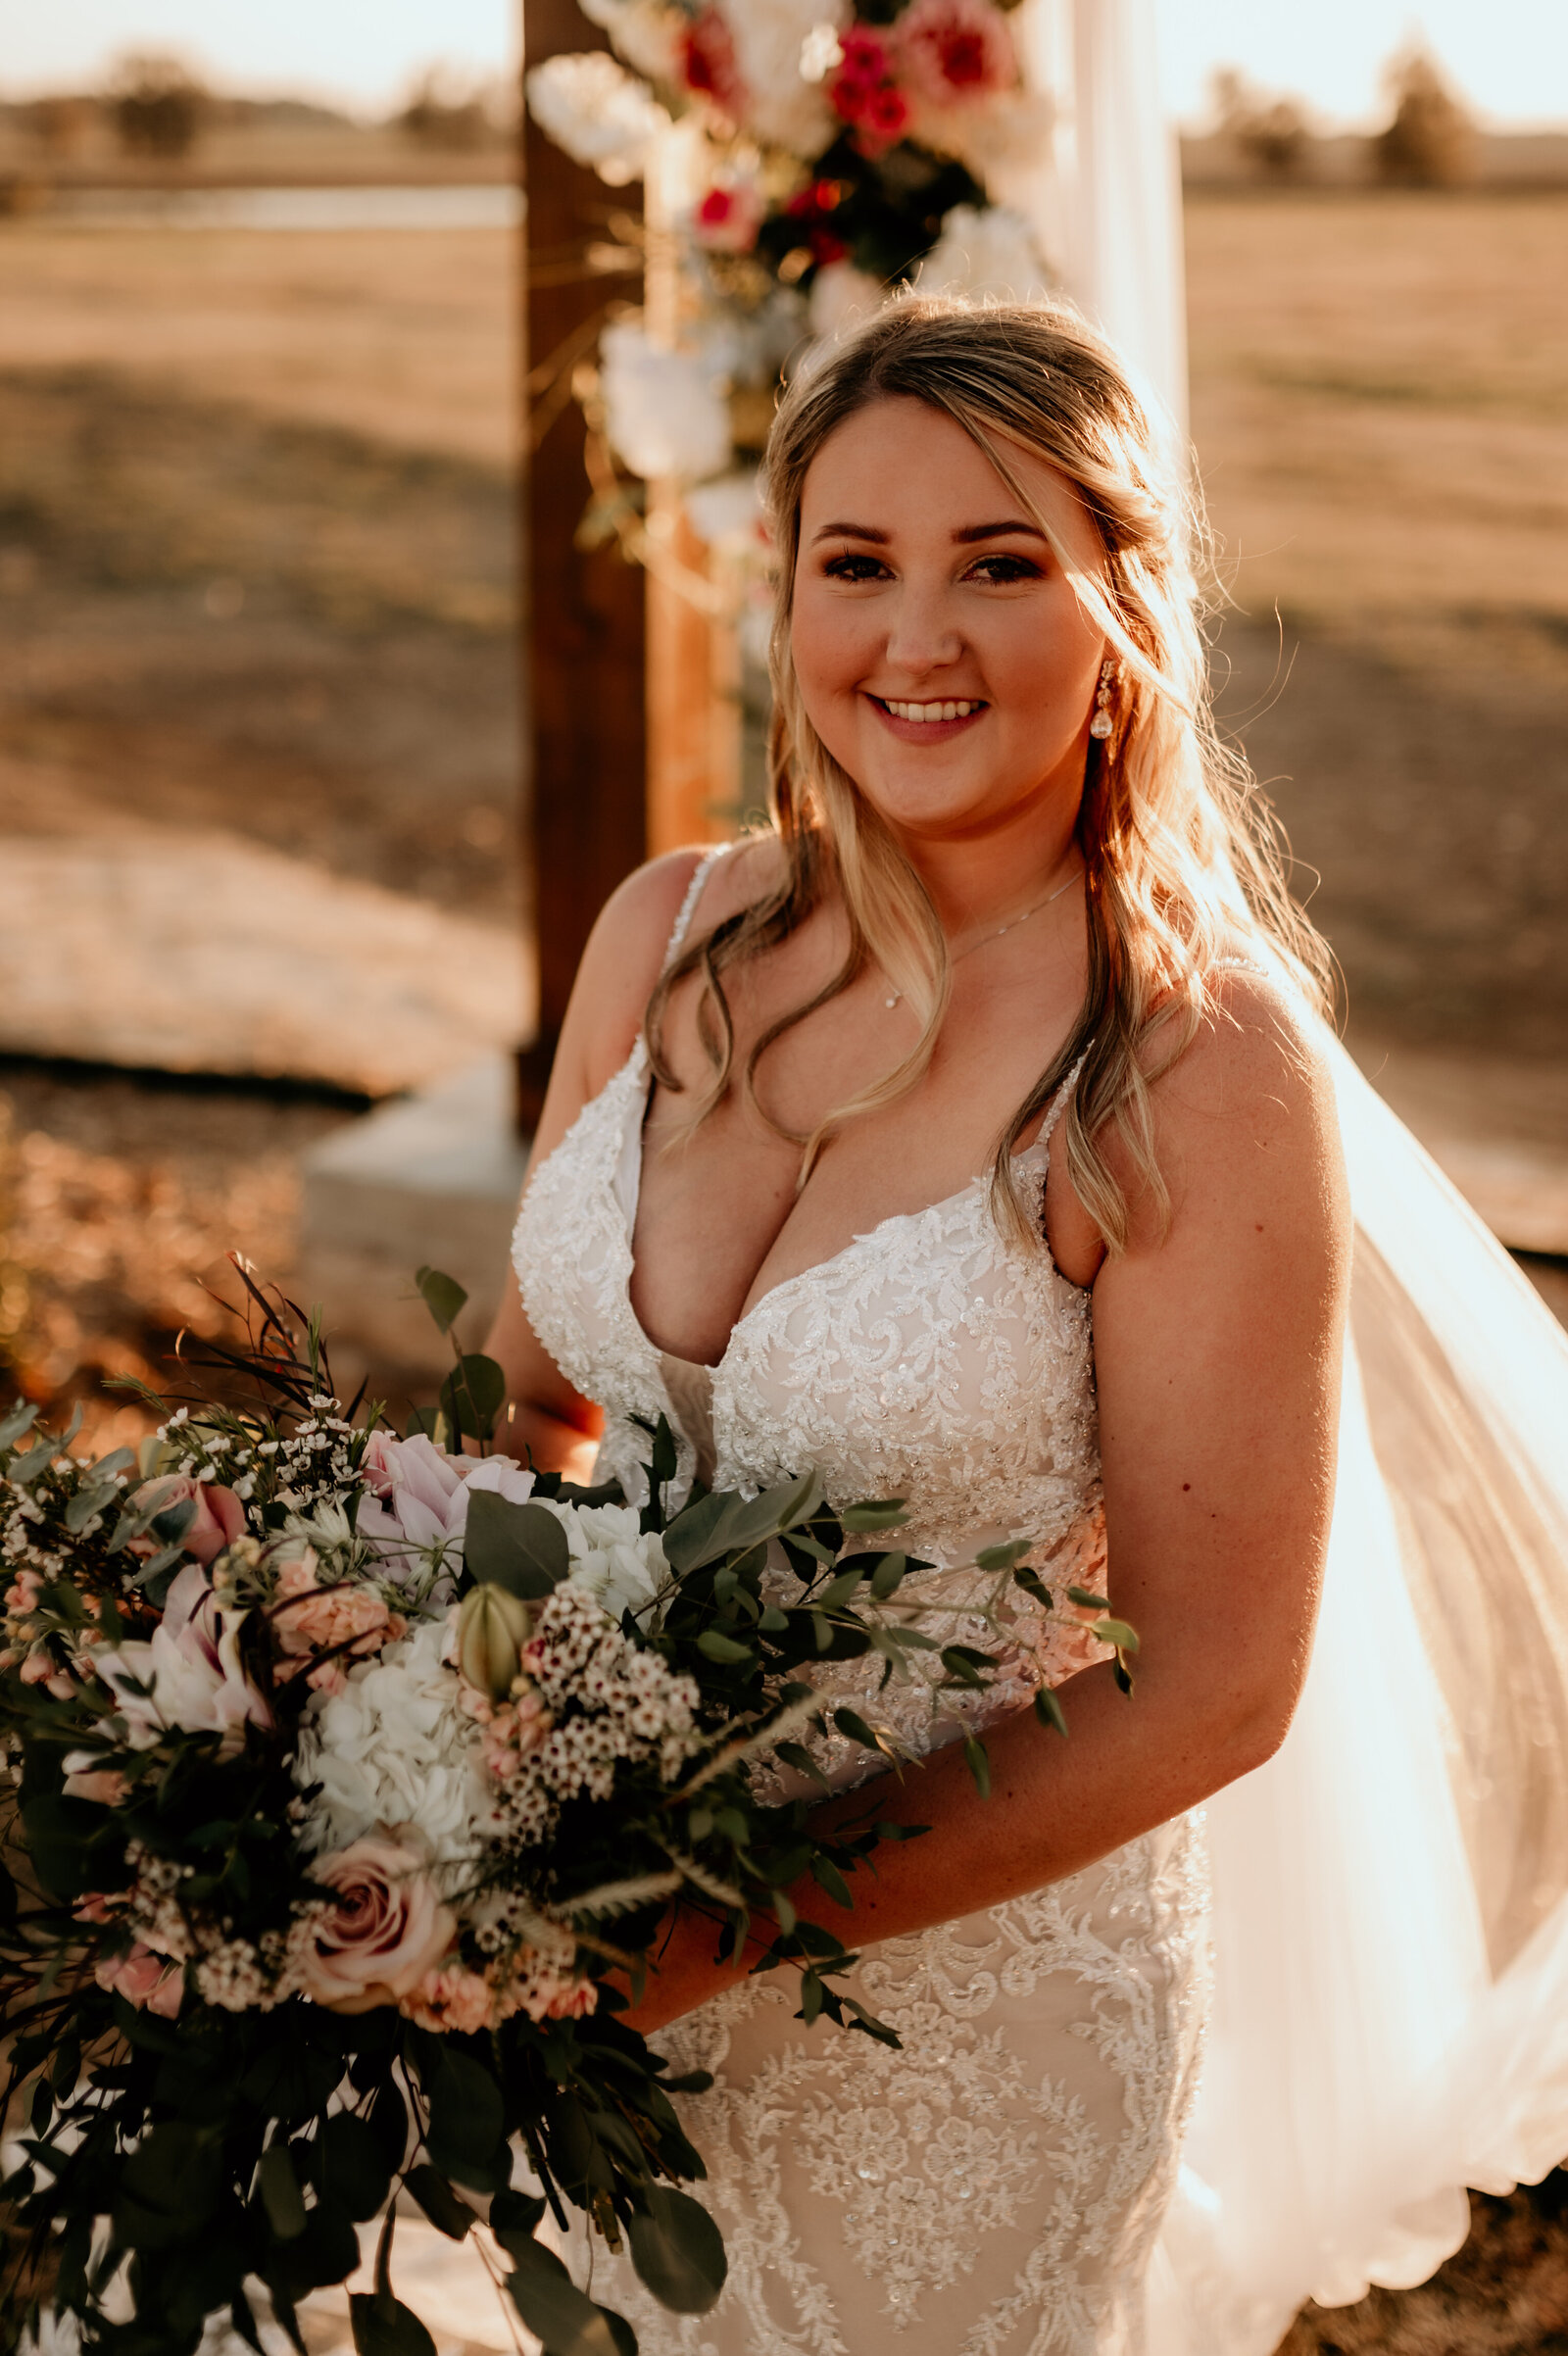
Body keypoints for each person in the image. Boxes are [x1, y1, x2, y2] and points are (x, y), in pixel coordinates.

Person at [488, 297, 1568, 2355]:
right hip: (570, 1967)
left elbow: (1212, 1684)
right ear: (779, 590)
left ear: (1122, 611)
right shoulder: (669, 929)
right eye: (854, 564)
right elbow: (540, 1409)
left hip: (957, 2039)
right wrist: (393, 1711)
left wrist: (726, 1916)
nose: (916, 639)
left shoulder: (1189, 1061)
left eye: (1000, 564)